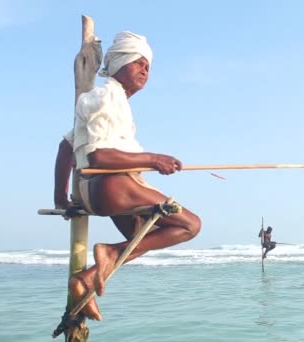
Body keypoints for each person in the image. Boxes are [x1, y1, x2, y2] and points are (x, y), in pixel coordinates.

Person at [52, 31, 201, 321]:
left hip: (99, 194)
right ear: (119, 63)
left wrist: (60, 197)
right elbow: (99, 156)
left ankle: (86, 280)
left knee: (139, 238)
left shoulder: (112, 101)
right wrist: (153, 159)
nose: (145, 69)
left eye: (148, 65)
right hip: (112, 188)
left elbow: (66, 146)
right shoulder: (106, 95)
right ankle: (105, 256)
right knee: (190, 225)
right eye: (138, 62)